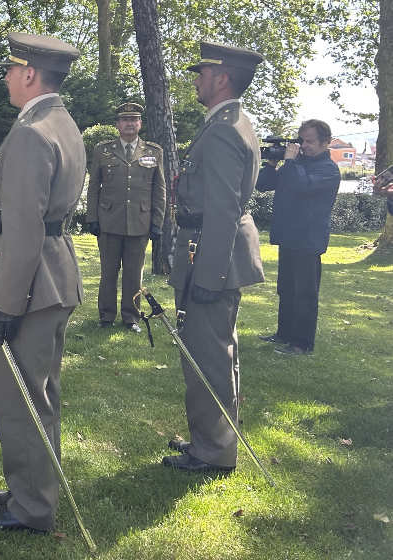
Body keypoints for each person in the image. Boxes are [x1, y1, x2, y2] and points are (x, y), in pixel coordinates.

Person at [0, 32, 85, 534]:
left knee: (21, 400)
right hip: (54, 275)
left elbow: (22, 227)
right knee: (41, 394)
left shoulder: (31, 132)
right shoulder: (63, 124)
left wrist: (8, 304)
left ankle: (32, 506)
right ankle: (31, 487)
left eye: (10, 69)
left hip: (30, 283)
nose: (5, 77)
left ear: (30, 75)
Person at [164, 41, 265, 473]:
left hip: (209, 253)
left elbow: (223, 208)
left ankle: (214, 450)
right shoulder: (229, 121)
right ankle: (212, 438)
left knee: (209, 354)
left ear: (221, 78)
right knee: (215, 352)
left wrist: (208, 273)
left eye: (202, 72)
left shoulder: (224, 128)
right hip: (208, 248)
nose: (196, 79)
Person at [255, 119, 340, 356]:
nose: (303, 146)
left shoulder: (328, 169)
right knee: (286, 288)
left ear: (326, 143)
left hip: (308, 238)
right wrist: (272, 163)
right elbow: (264, 185)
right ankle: (284, 333)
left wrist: (290, 162)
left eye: (309, 141)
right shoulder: (296, 164)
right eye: (301, 140)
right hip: (289, 235)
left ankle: (302, 343)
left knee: (304, 292)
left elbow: (303, 186)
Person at [86, 102, 166, 333]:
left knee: (133, 274)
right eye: (125, 120)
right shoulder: (103, 150)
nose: (130, 124)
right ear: (117, 124)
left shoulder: (153, 151)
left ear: (140, 124)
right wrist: (93, 217)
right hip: (109, 221)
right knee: (108, 273)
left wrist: (157, 223)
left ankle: (131, 318)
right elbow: (93, 187)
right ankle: (106, 316)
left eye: (134, 120)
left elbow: (158, 190)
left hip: (139, 223)